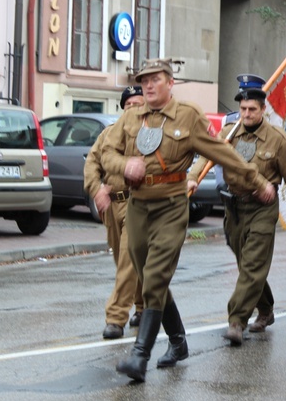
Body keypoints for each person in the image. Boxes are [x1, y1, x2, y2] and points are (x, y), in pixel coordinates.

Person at [102, 59, 275, 382]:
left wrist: (257, 180)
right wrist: (124, 165)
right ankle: (179, 342)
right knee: (148, 276)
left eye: (155, 79)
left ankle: (140, 356)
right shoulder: (130, 118)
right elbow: (105, 154)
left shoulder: (188, 116)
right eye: (144, 81)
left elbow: (222, 153)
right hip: (139, 205)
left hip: (171, 204)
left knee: (154, 276)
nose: (149, 86)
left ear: (170, 83)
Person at [217, 78, 286, 346]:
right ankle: (266, 308)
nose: (246, 114)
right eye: (243, 109)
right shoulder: (229, 133)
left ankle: (236, 321)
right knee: (248, 267)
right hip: (233, 207)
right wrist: (192, 178)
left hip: (262, 209)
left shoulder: (277, 139)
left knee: (253, 264)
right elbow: (208, 156)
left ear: (263, 109)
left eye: (252, 110)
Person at [83, 86, 145, 340]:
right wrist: (96, 189)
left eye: (138, 104)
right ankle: (142, 306)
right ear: (122, 108)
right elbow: (91, 164)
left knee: (129, 259)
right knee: (125, 262)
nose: (133, 108)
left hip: (138, 205)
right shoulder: (109, 134)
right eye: (128, 104)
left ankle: (116, 317)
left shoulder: (150, 135)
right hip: (112, 206)